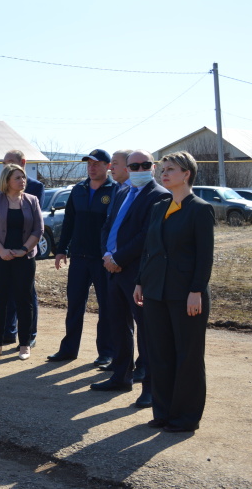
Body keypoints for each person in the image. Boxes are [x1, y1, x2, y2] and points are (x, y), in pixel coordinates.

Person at [134, 151, 214, 433]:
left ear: (186, 174)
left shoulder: (200, 209)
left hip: (186, 295)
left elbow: (205, 257)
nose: (163, 173)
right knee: (160, 354)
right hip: (156, 292)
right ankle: (164, 412)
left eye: (170, 169)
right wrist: (141, 281)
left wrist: (196, 291)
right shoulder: (159, 207)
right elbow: (149, 250)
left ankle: (186, 417)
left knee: (188, 356)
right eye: (163, 169)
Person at [91, 151, 171, 407]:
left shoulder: (160, 195)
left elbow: (146, 235)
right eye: (134, 165)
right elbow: (108, 226)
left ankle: (149, 386)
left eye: (144, 165)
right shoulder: (123, 192)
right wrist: (107, 255)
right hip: (113, 270)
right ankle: (121, 376)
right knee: (118, 325)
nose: (139, 169)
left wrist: (118, 259)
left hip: (137, 274)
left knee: (146, 332)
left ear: (153, 167)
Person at [48, 149, 118, 366]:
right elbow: (69, 221)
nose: (92, 167)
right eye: (89, 163)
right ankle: (69, 349)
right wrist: (61, 249)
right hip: (79, 256)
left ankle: (106, 353)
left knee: (106, 307)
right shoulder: (78, 189)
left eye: (96, 164)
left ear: (107, 166)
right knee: (75, 304)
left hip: (103, 259)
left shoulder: (115, 190)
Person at [0, 165, 43, 360]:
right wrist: (1, 251)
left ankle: (24, 344)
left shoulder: (32, 200)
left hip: (24, 258)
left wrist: (24, 249)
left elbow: (38, 230)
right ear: (7, 180)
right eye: (18, 177)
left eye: (23, 177)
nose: (22, 181)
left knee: (24, 301)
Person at [1, 150, 45, 347]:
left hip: (25, 250)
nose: (6, 165)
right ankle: (9, 331)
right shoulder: (1, 190)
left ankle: (29, 334)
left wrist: (24, 248)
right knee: (7, 291)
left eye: (10, 162)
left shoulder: (35, 187)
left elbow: (36, 223)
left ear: (23, 163)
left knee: (27, 294)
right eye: (4, 162)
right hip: (5, 250)